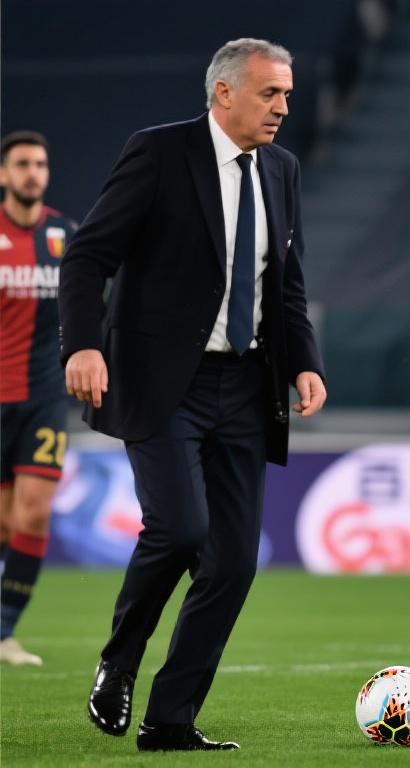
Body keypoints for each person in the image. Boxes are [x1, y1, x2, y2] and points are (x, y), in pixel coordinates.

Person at [58, 38, 327, 752]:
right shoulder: (158, 152)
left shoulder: (283, 169)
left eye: (288, 93)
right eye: (270, 93)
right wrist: (82, 345)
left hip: (247, 385)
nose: (283, 106)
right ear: (224, 93)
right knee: (179, 530)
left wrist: (305, 362)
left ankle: (170, 719)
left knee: (234, 562)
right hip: (161, 382)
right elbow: (87, 256)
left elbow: (287, 282)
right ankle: (119, 661)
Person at [0, 130, 76, 666]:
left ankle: (5, 634)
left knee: (34, 515)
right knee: (5, 523)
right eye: (23, 164)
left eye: (40, 164)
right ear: (4, 174)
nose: (33, 173)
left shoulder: (64, 235)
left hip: (45, 397)